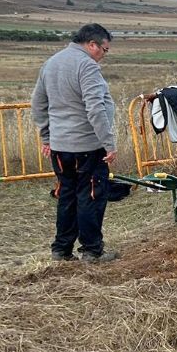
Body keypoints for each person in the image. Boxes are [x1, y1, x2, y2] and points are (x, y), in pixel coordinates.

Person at [31, 23, 119, 262]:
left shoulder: (51, 63)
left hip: (60, 148)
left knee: (67, 196)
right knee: (91, 197)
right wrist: (108, 143)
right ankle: (92, 251)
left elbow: (38, 104)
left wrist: (47, 137)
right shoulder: (86, 66)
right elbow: (95, 108)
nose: (104, 55)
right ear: (92, 45)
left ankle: (61, 249)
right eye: (104, 49)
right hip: (88, 147)